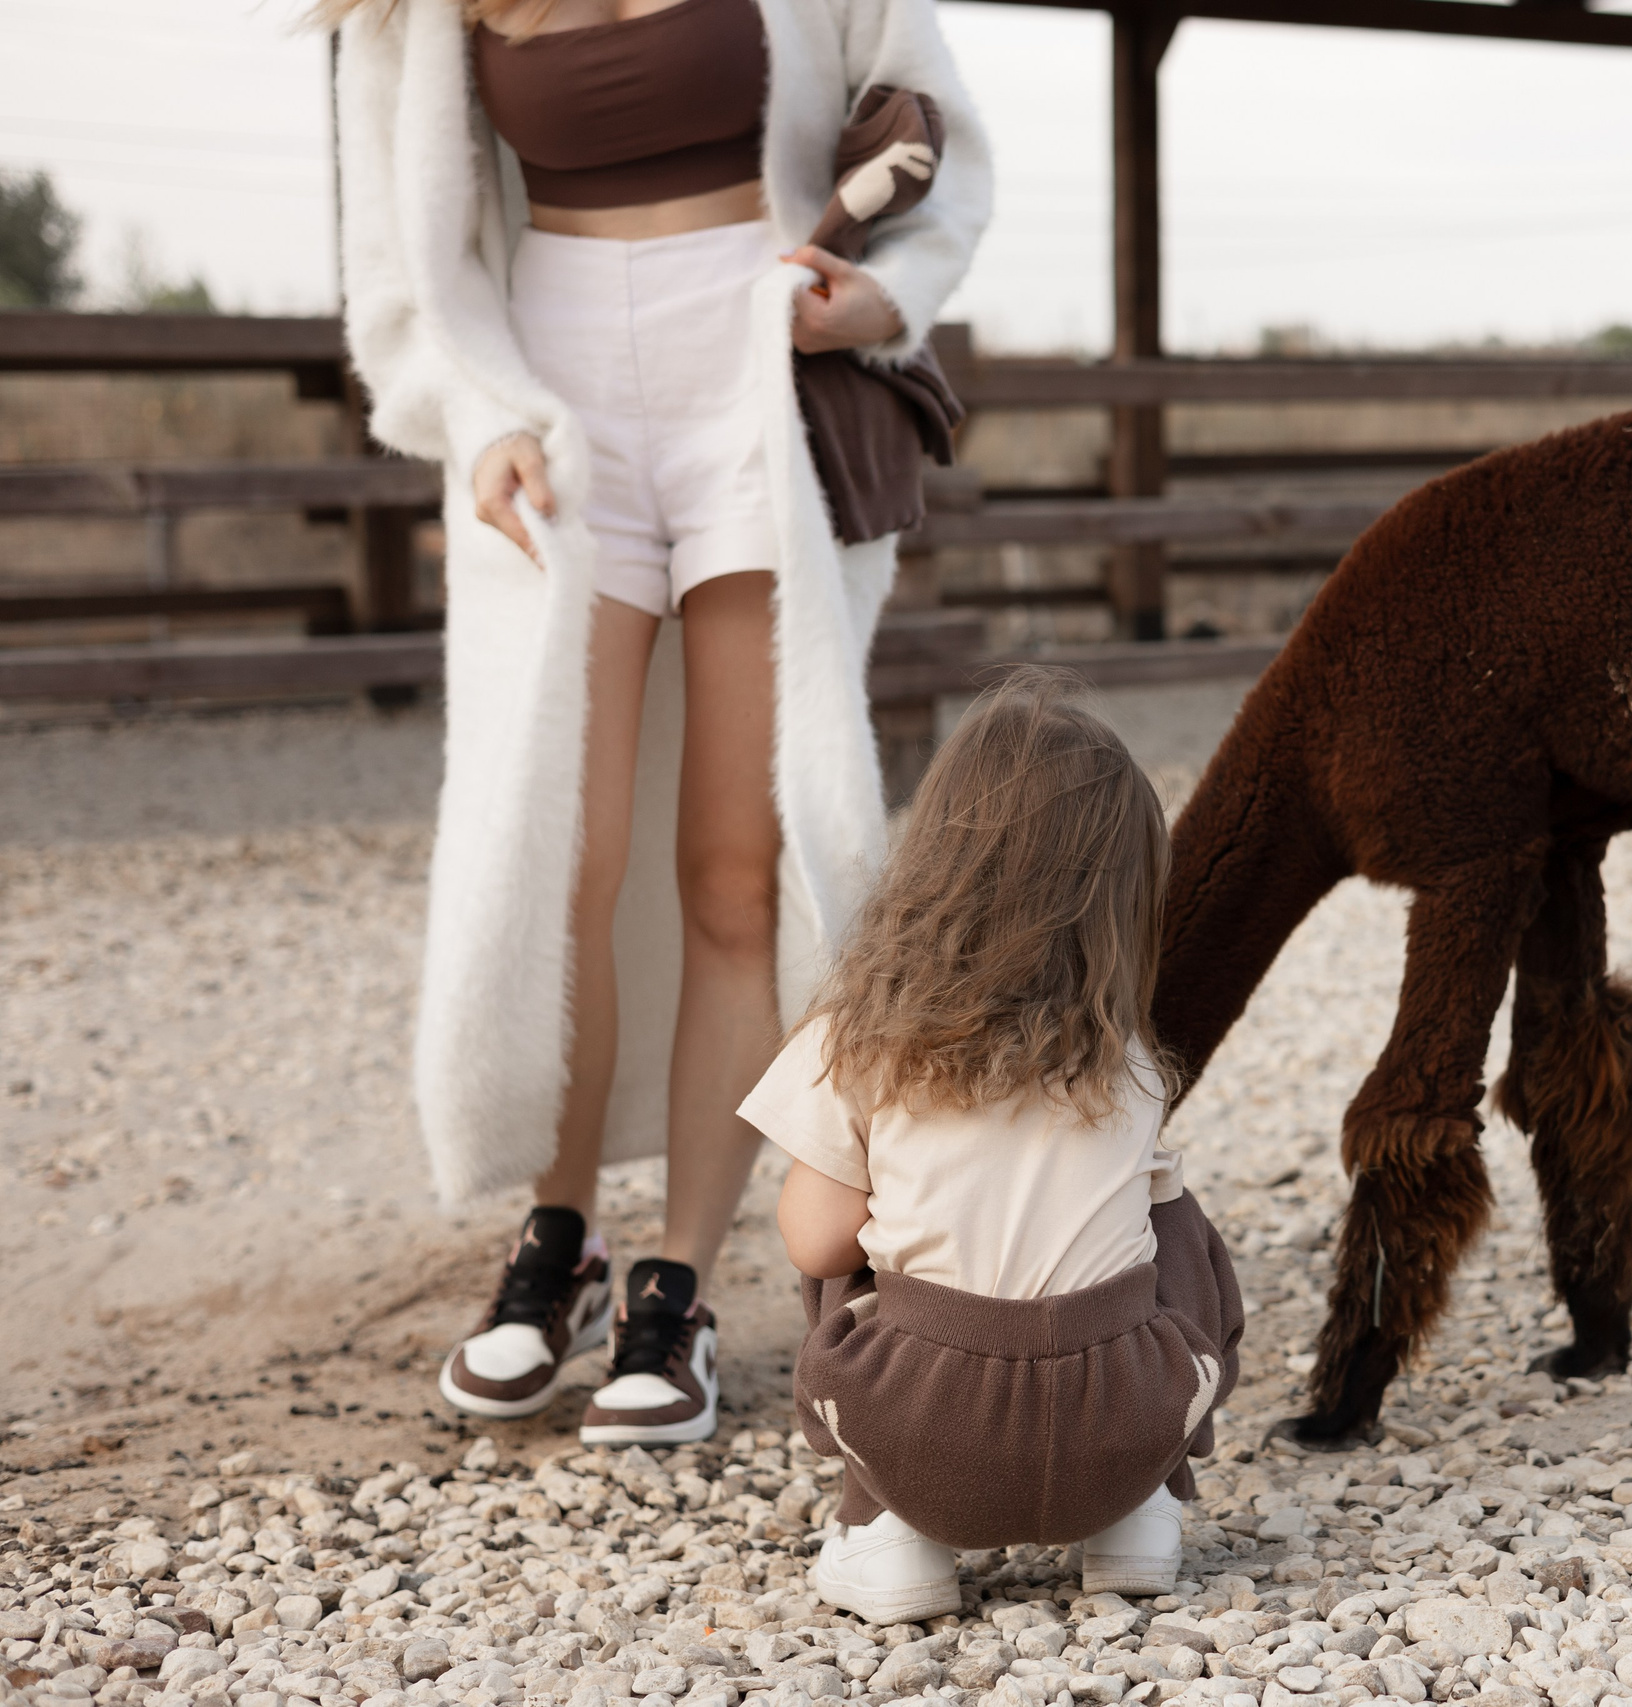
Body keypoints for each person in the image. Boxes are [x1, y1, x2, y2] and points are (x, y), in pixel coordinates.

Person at [323, 0, 990, 1444]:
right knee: (566, 862)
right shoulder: (407, 11)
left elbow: (939, 133)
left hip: (756, 379)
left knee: (736, 871)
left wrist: (877, 305)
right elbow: (396, 270)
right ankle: (558, 1236)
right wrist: (475, 411)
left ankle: (677, 1281)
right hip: (547, 411)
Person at [739, 675, 1244, 1623]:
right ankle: (1142, 1509)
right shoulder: (1126, 1060)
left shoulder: (858, 1041)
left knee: (847, 1238)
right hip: (1122, 1424)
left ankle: (888, 1530)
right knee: (1172, 1219)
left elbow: (813, 1245)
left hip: (922, 1436)